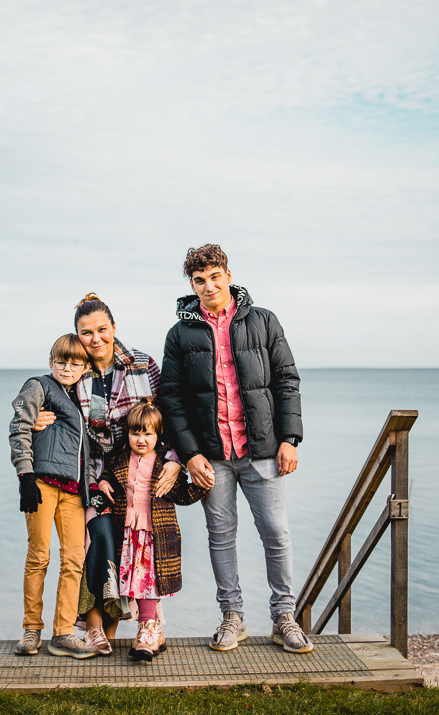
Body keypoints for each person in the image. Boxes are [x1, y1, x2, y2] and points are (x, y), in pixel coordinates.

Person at [158, 244, 313, 654]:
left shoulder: (263, 322)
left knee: (276, 534)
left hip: (262, 451)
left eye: (214, 276)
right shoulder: (180, 334)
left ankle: (284, 617)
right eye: (198, 280)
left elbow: (286, 381)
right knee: (221, 535)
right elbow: (171, 398)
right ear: (191, 285)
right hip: (212, 457)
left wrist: (289, 439)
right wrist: (189, 454)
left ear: (228, 274)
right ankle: (233, 617)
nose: (208, 286)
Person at [34, 294, 182, 656]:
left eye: (102, 329)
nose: (95, 338)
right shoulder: (74, 374)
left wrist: (176, 460)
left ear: (114, 328)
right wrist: (36, 420)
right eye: (86, 333)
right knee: (94, 540)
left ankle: (148, 624)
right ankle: (93, 627)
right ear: (77, 335)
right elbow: (49, 407)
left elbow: (172, 416)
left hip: (138, 477)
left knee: (138, 544)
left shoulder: (144, 365)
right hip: (93, 476)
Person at [8, 334, 98, 659]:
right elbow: (18, 427)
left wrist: (92, 488)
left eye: (75, 363)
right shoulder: (39, 386)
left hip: (73, 492)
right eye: (61, 361)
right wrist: (25, 476)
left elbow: (88, 447)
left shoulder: (86, 400)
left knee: (74, 560)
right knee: (39, 557)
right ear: (51, 362)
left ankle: (63, 633)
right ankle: (32, 630)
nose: (67, 368)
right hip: (42, 484)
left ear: (84, 367)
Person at [95, 400, 206, 662]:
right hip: (126, 534)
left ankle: (145, 630)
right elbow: (109, 477)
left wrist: (203, 485)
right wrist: (101, 482)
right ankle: (153, 629)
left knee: (147, 583)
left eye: (148, 434)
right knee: (132, 585)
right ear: (128, 434)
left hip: (154, 534)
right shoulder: (119, 459)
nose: (141, 439)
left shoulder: (165, 466)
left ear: (158, 435)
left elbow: (182, 496)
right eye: (136, 433)